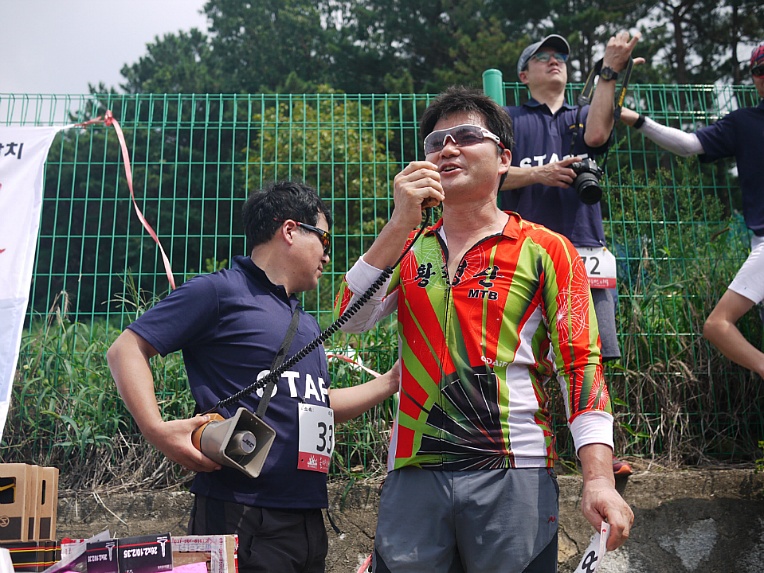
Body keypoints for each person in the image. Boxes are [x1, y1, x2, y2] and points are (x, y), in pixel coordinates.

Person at [334, 86, 633, 572]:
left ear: (503, 160)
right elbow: (350, 319)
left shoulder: (547, 249)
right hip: (413, 470)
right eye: (435, 142)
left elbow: (581, 365)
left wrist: (596, 477)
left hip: (516, 469)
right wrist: (398, 224)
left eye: (466, 135)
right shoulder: (408, 247)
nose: (448, 148)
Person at [107, 180, 400, 573]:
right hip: (241, 512)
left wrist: (390, 382)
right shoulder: (219, 292)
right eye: (324, 239)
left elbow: (316, 403)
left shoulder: (308, 324)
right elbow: (125, 349)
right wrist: (156, 429)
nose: (328, 255)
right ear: (291, 230)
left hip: (307, 514)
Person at [499, 32, 643, 476]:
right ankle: (538, 447)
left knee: (589, 352)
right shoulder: (508, 118)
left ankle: (597, 454)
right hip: (526, 247)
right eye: (542, 57)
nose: (555, 61)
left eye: (560, 55)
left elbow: (598, 134)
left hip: (585, 248)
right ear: (524, 75)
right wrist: (538, 173)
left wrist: (609, 70)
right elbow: (490, 176)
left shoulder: (584, 115)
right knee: (526, 351)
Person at [619, 43, 764, 378]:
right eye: (759, 69)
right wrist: (637, 119)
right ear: (753, 78)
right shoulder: (744, 123)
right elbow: (688, 145)